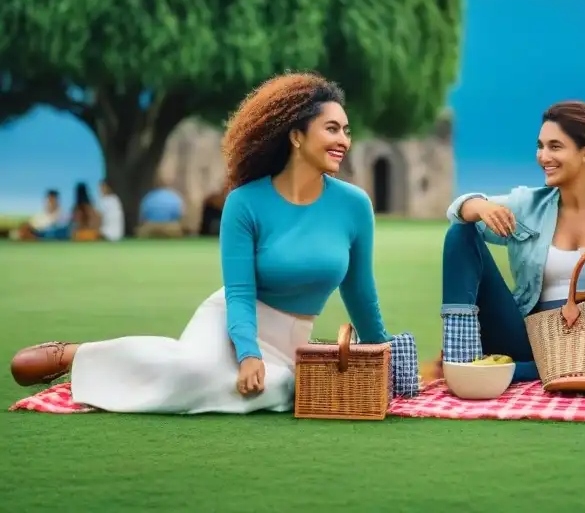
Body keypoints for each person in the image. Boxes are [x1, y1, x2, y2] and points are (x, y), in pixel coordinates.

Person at [9, 72, 392, 414]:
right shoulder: (245, 202)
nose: (344, 140)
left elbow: (360, 291)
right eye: (332, 129)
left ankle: (128, 369)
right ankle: (77, 355)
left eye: (346, 130)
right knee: (192, 370)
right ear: (296, 135)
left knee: (273, 389)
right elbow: (240, 292)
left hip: (289, 343)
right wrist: (247, 354)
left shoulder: (354, 205)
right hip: (232, 321)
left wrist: (383, 357)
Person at [429, 100, 585, 383]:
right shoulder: (529, 204)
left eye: (555, 147)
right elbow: (457, 211)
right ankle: (460, 357)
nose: (543, 156)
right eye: (540, 146)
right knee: (461, 232)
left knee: (582, 360)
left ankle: (511, 371)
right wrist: (480, 206)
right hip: (528, 336)